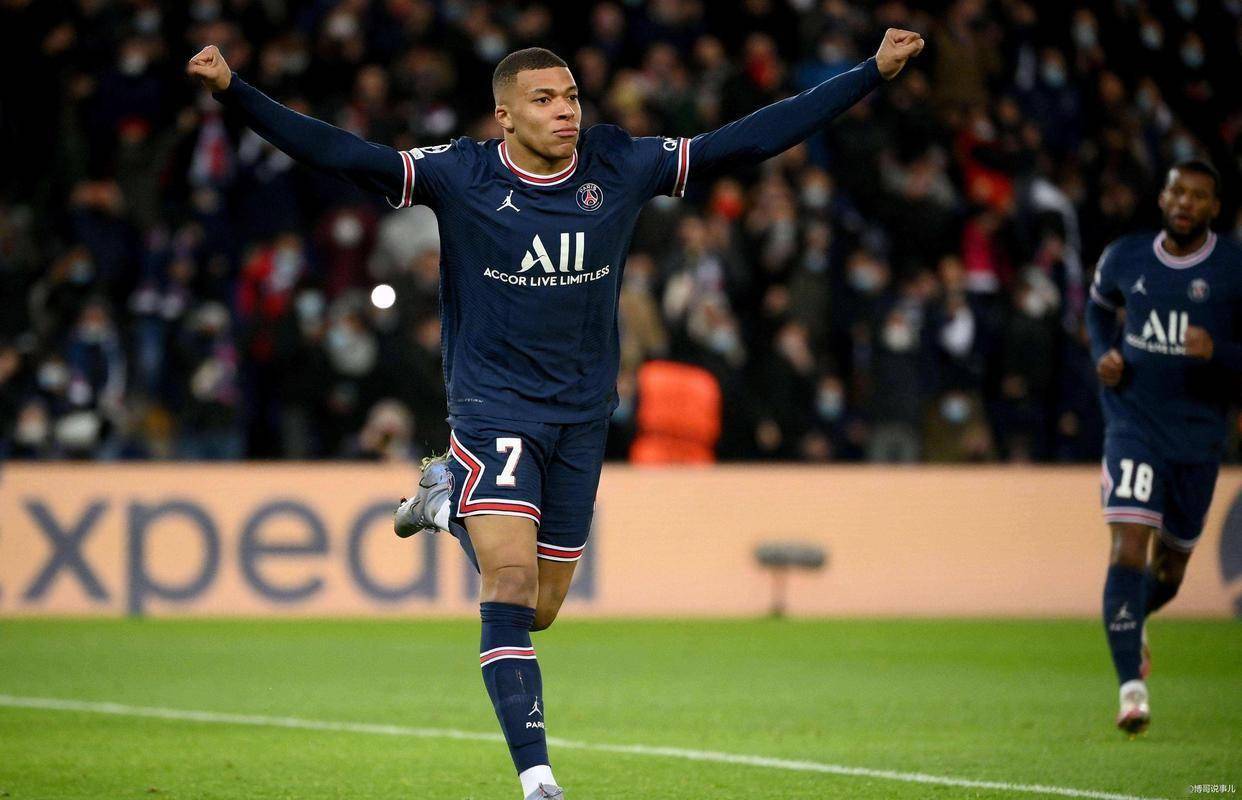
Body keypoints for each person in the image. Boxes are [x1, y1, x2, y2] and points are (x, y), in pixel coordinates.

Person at [188, 31, 924, 798]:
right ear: (504, 117)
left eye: (571, 96)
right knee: (507, 586)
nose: (566, 110)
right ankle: (538, 779)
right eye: (544, 100)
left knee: (539, 609)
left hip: (581, 414)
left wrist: (869, 74)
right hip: (494, 407)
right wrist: (235, 90)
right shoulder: (462, 174)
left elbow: (745, 142)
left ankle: (446, 501)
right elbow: (342, 153)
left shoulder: (618, 164)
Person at [1086, 160, 1242, 736]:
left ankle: (1135, 619)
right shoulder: (1125, 256)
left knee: (1169, 573)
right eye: (1177, 191)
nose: (1185, 203)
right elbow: (1098, 308)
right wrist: (1103, 353)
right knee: (1128, 546)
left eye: (1198, 196)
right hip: (1132, 423)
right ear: (1162, 196)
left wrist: (1219, 353)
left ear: (1214, 208)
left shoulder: (1233, 269)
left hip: (1199, 437)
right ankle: (1131, 690)